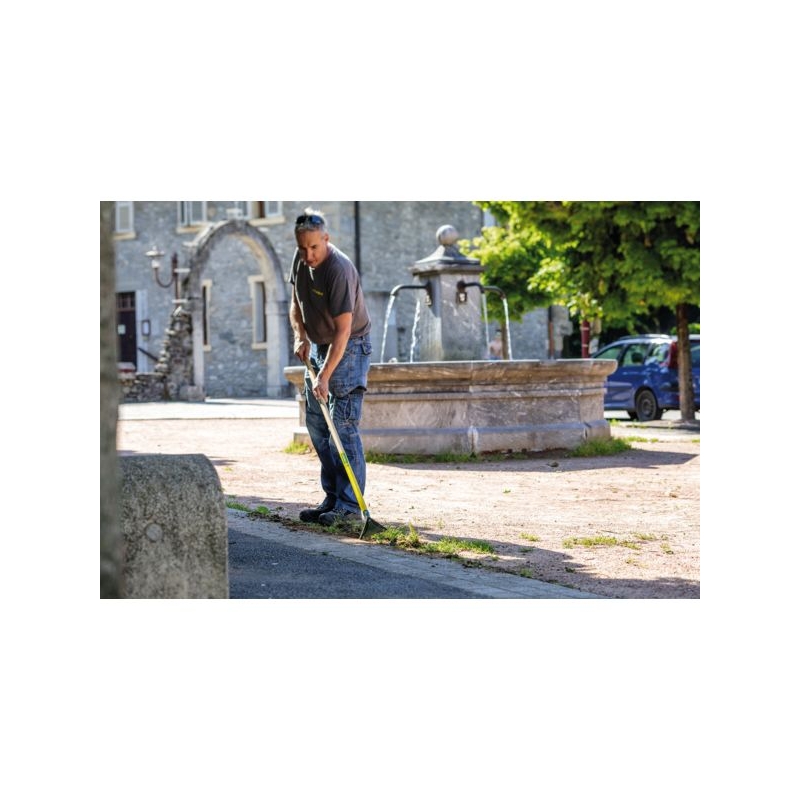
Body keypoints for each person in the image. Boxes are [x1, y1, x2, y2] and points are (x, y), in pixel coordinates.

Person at [289, 209, 373, 527]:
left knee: (342, 425)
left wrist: (324, 376)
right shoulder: (300, 260)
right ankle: (334, 498)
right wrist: (300, 336)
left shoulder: (339, 270)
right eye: (303, 248)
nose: (308, 255)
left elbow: (344, 331)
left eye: (314, 247)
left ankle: (350, 507)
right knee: (317, 423)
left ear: (326, 239)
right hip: (319, 345)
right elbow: (295, 303)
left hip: (349, 345)